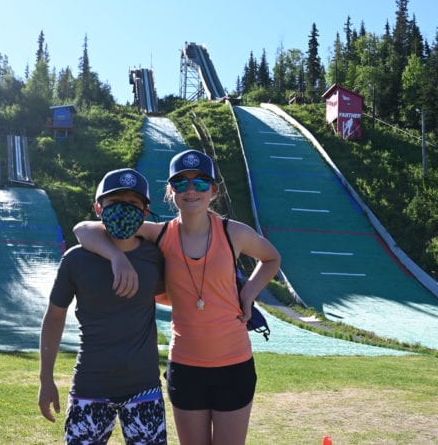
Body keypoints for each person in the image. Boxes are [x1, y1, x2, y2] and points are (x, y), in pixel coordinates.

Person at [73, 149, 281, 445]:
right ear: (171, 191)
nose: (191, 190)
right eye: (181, 183)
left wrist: (247, 294)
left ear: (214, 190)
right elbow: (84, 229)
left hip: (234, 365)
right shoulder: (160, 234)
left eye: (200, 182)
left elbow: (271, 258)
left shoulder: (233, 232)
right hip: (186, 367)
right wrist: (116, 257)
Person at [39, 168, 167, 444]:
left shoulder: (156, 256)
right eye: (114, 203)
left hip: (144, 388)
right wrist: (45, 377)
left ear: (145, 212)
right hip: (90, 386)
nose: (124, 210)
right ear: (98, 208)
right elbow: (54, 316)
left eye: (133, 204)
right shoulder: (76, 260)